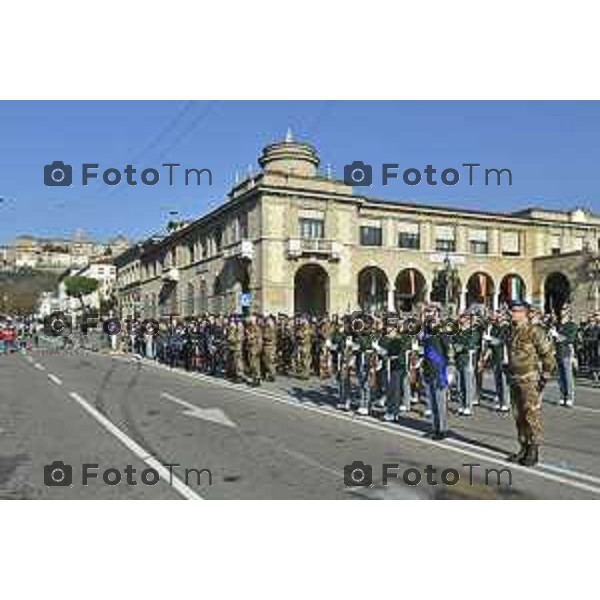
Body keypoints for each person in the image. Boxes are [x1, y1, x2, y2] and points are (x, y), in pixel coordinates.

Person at [506, 301, 556, 466]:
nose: (512, 313)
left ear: (524, 313)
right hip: (514, 378)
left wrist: (546, 375)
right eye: (512, 310)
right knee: (518, 415)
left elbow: (547, 354)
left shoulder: (534, 331)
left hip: (529, 379)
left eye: (515, 310)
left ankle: (533, 449)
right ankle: (523, 446)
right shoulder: (513, 331)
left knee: (531, 415)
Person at [550, 306, 578, 406]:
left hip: (566, 353)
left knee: (568, 376)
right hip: (558, 353)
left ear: (569, 313)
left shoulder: (572, 325)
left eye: (564, 310)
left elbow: (569, 339)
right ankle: (562, 396)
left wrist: (557, 335)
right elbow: (556, 340)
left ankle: (569, 397)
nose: (562, 311)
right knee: (560, 377)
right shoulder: (558, 325)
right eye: (562, 309)